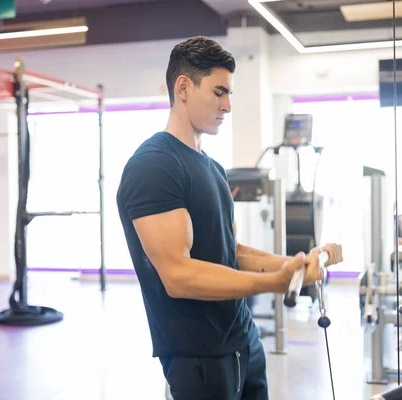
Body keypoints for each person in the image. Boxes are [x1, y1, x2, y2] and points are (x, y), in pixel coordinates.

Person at [116, 36, 344, 400]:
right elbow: (179, 276)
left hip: (242, 339)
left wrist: (297, 265)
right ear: (184, 87)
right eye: (219, 92)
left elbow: (229, 249)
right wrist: (275, 283)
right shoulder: (155, 165)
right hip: (199, 355)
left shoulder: (212, 168)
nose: (228, 106)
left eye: (230, 94)